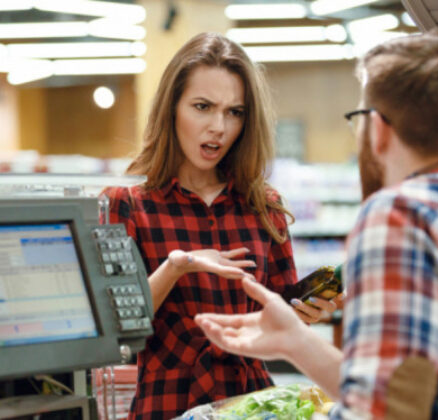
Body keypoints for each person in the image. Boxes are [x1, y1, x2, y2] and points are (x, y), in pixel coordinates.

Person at [196, 30, 438, 419]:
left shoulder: (402, 214)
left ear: (378, 128)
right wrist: (296, 341)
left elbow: (379, 412)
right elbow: (416, 397)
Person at [105, 32, 331, 419]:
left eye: (234, 112)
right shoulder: (128, 208)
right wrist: (178, 265)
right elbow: (118, 328)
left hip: (254, 405)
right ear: (172, 108)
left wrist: (302, 313)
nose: (219, 127)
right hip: (168, 404)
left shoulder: (264, 206)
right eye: (203, 107)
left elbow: (275, 322)